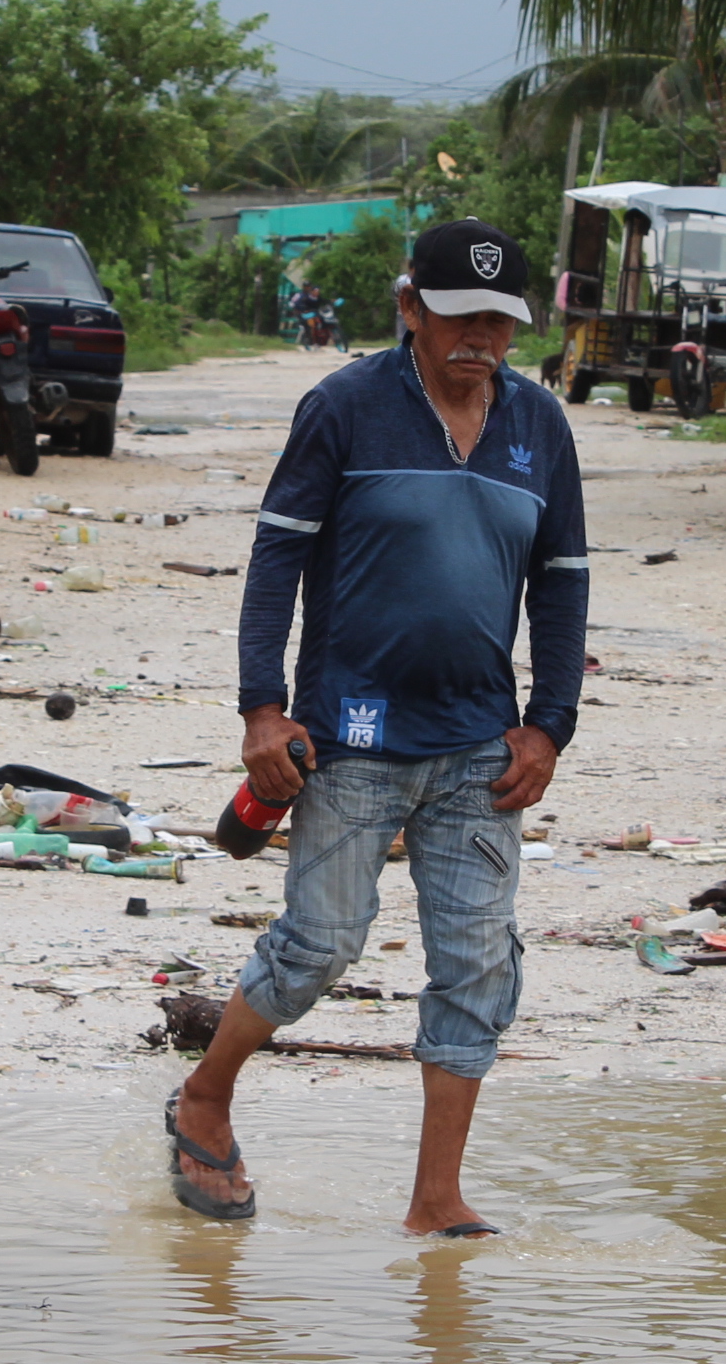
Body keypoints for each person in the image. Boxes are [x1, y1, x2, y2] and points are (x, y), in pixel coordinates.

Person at [168, 218, 588, 1234]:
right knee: (317, 947)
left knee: (478, 964)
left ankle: (434, 1199)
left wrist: (549, 728)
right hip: (350, 737)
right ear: (409, 310)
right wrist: (261, 709)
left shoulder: (541, 427)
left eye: (498, 319)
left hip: (480, 750)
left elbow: (564, 583)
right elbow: (275, 560)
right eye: (457, 316)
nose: (479, 337)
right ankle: (206, 1095)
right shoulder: (345, 409)